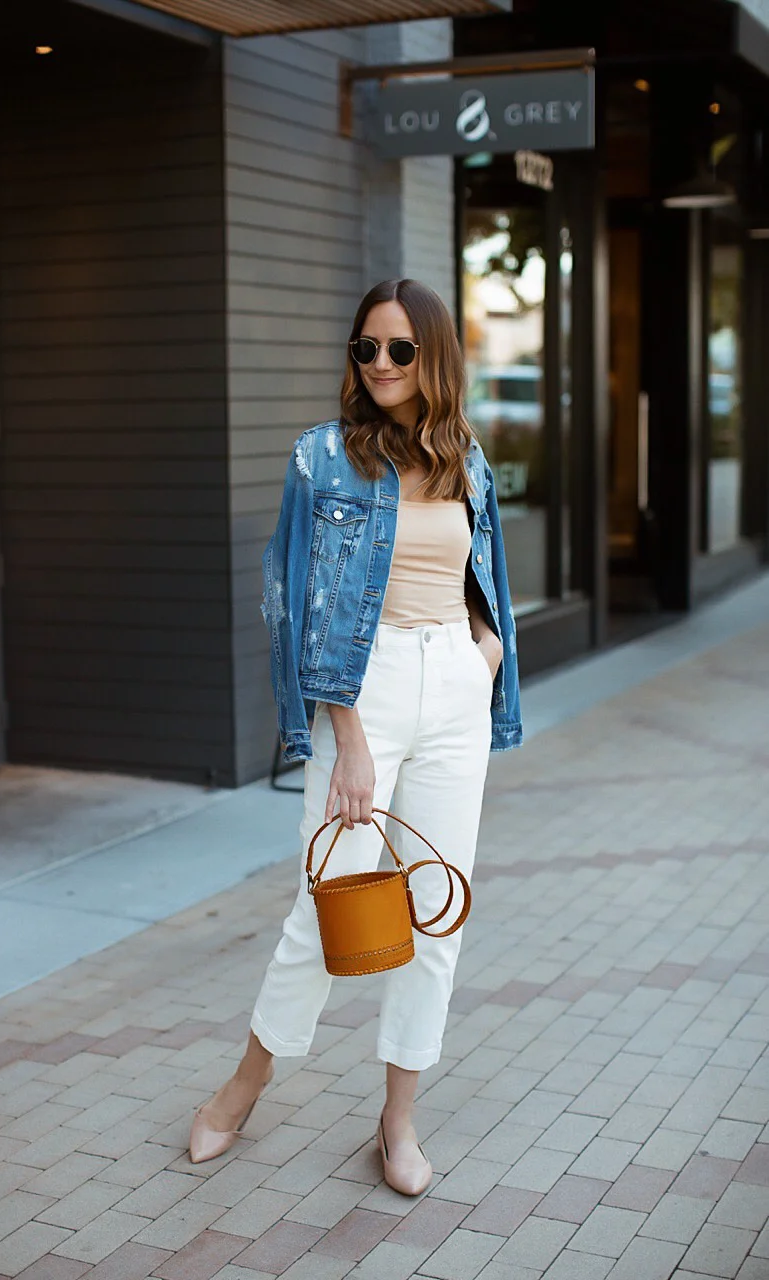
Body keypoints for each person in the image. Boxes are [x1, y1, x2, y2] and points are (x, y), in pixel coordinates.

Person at [188, 278, 522, 1196]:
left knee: (436, 910)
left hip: (452, 682)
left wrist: (486, 652)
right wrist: (346, 732)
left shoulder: (466, 459)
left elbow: (481, 575)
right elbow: (291, 598)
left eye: (399, 349)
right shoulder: (322, 458)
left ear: (433, 357)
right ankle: (241, 1088)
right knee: (325, 905)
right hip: (360, 694)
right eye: (365, 347)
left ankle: (397, 1120)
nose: (379, 363)